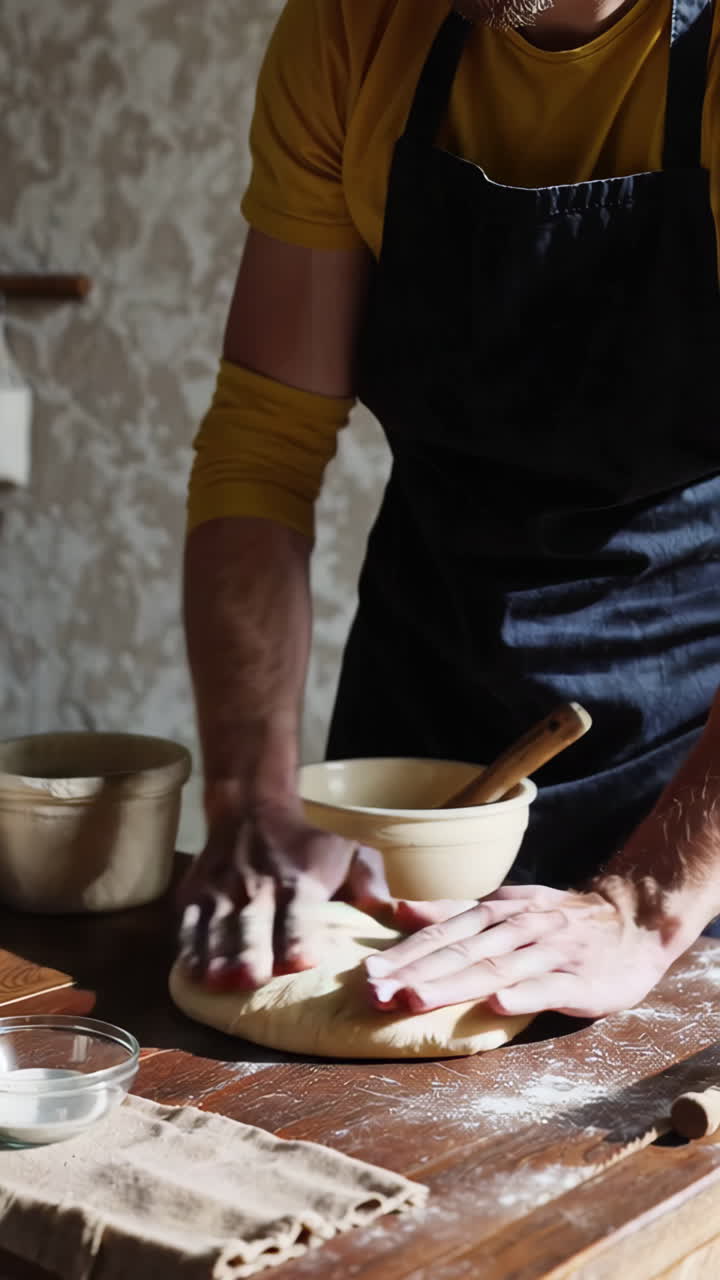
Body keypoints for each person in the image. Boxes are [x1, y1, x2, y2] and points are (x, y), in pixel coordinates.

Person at [179, 0, 720, 1023]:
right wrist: (251, 797)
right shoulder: (352, 27)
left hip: (691, 781)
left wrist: (649, 899)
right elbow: (265, 444)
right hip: (412, 721)